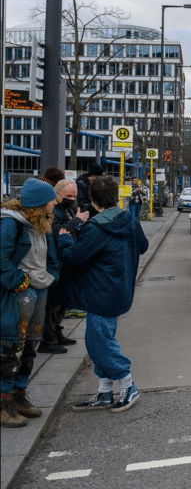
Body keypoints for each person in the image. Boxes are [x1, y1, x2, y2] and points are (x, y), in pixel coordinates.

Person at [58, 176, 149, 413]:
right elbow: (143, 246)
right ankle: (104, 391)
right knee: (97, 340)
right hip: (121, 289)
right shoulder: (128, 219)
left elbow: (75, 258)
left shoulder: (96, 228)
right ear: (116, 196)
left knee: (99, 342)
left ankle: (127, 384)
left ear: (93, 199)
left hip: (100, 292)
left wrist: (66, 239)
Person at [1, 179, 60, 428]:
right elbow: (1, 257)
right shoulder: (11, 223)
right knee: (12, 347)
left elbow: (49, 256)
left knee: (30, 346)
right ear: (38, 204)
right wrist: (19, 282)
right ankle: (4, 402)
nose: (55, 203)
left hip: (38, 289)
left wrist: (51, 275)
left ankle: (18, 394)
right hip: (21, 292)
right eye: (51, 199)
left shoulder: (39, 223)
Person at [38, 179, 82, 354]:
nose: (72, 199)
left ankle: (56, 332)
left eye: (74, 196)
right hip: (54, 261)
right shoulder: (54, 212)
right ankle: (48, 339)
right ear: (57, 194)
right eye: (68, 195)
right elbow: (57, 233)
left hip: (64, 260)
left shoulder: (67, 209)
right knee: (51, 302)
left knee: (61, 301)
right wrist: (76, 221)